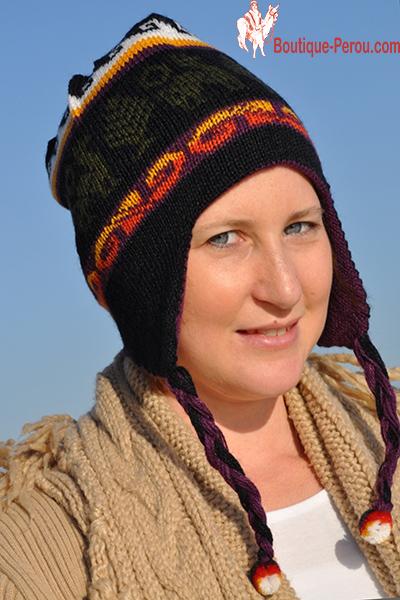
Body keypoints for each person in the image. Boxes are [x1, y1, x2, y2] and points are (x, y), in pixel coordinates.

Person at [0, 12, 399, 600]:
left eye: (300, 226)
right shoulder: (46, 544)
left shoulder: (386, 440)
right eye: (224, 239)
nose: (285, 288)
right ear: (131, 290)